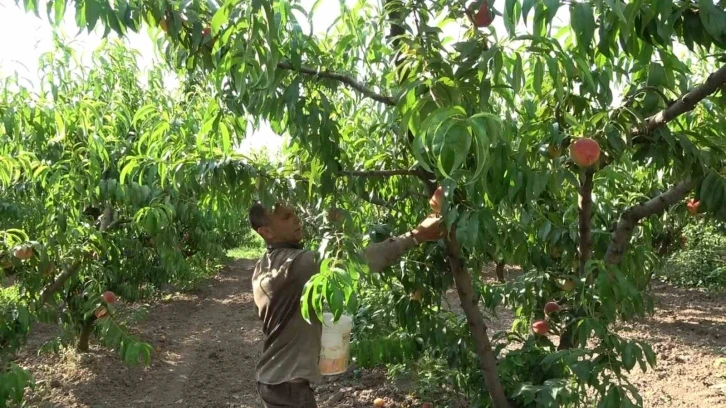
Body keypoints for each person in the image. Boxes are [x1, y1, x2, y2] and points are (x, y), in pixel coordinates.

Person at [249, 201, 445, 407]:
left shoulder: (265, 266)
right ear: (267, 232)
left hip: (272, 379)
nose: (297, 219)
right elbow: (361, 262)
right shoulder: (297, 264)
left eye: (294, 212)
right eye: (286, 217)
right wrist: (416, 236)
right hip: (288, 386)